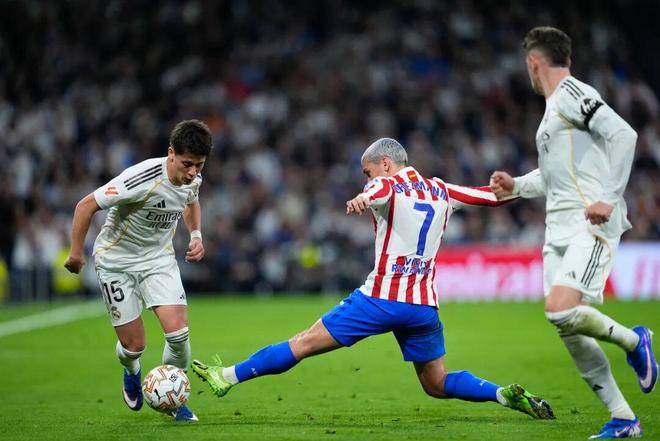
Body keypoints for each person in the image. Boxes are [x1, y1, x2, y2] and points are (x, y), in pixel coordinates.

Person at [192, 138, 555, 421]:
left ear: (385, 164)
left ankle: (227, 377)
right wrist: (531, 183)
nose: (367, 179)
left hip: (381, 299)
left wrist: (363, 196)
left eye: (368, 172)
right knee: (436, 382)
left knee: (302, 343)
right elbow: (493, 196)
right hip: (423, 307)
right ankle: (501, 394)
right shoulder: (442, 190)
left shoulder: (385, 187)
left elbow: (381, 189)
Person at [489, 26, 657, 439]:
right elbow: (553, 178)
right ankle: (623, 418)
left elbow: (624, 134)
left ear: (534, 62)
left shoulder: (571, 93)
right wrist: (516, 186)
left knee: (560, 309)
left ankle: (635, 342)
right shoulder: (553, 111)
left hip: (589, 224)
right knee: (564, 323)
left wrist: (610, 199)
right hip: (557, 232)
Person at [64, 119, 213, 421]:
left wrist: (196, 235)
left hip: (158, 261)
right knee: (134, 346)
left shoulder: (193, 178)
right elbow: (85, 206)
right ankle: (131, 369)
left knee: (178, 334)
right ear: (170, 153)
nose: (192, 172)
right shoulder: (140, 178)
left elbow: (191, 201)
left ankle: (174, 400)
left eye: (199, 165)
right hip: (116, 263)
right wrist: (76, 252)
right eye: (187, 164)